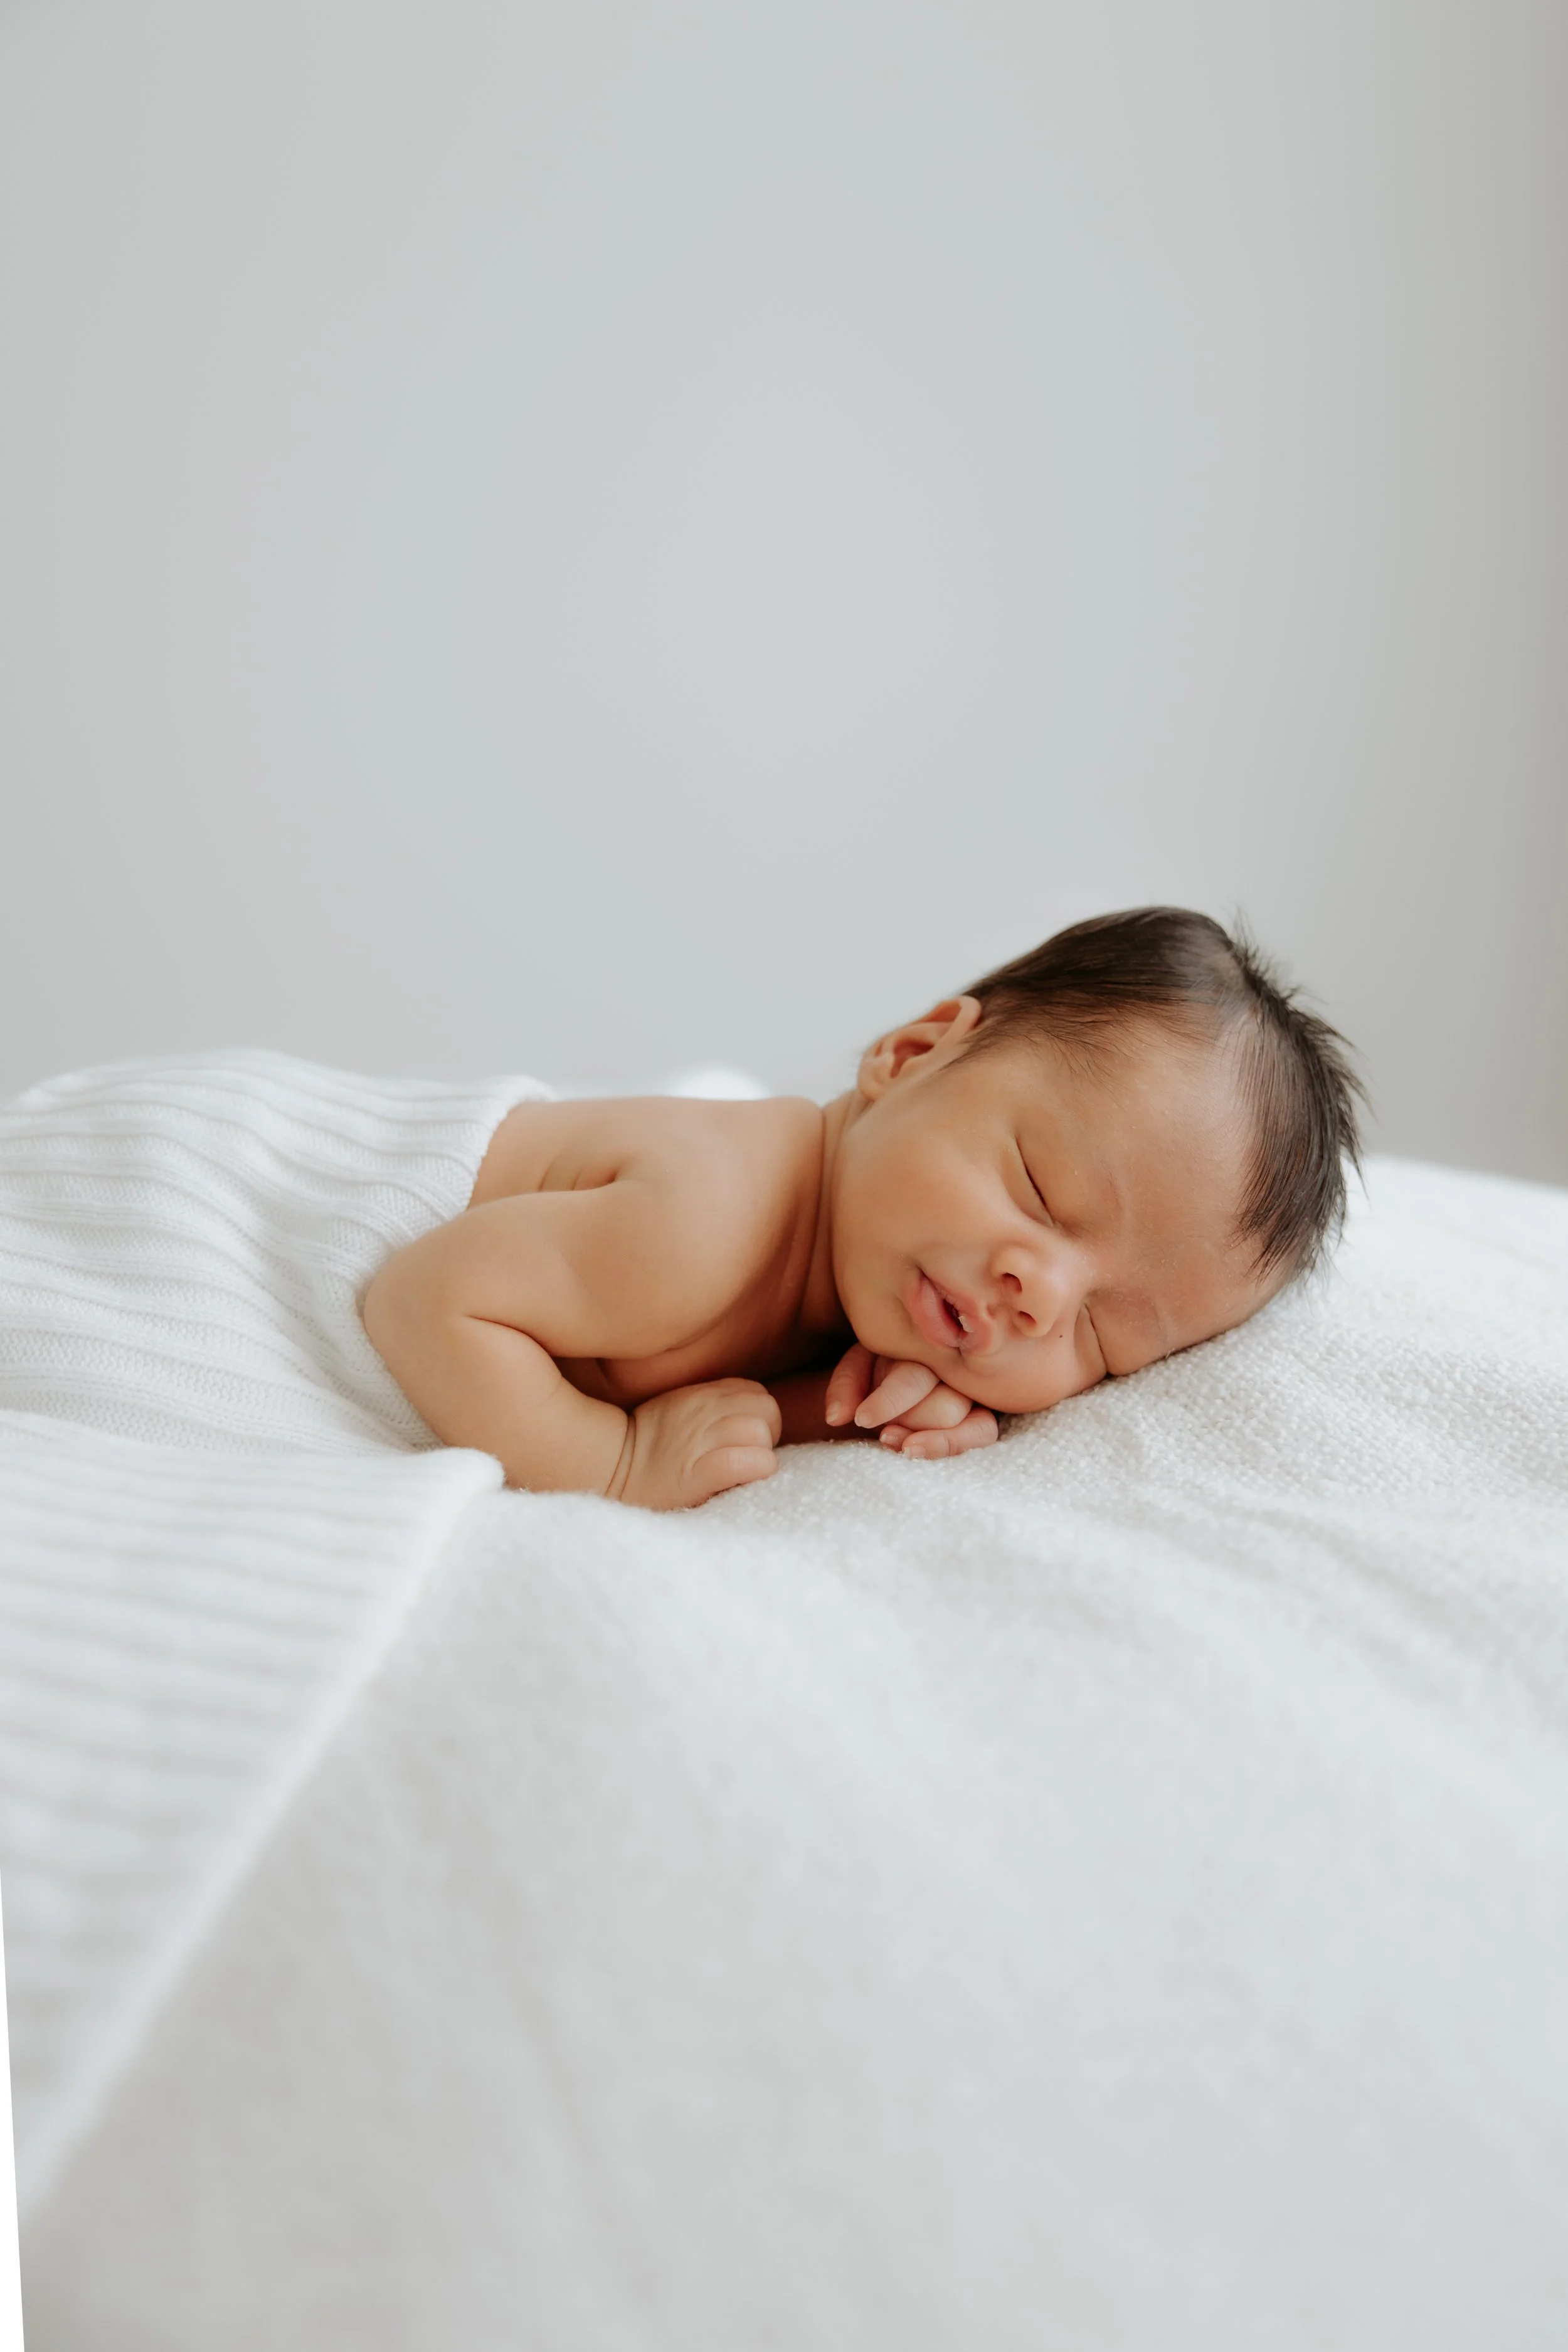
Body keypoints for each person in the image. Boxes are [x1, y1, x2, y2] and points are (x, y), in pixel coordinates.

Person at [361, 908, 1362, 1510]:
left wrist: (849, 1416)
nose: (1041, 1297)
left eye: (1103, 1337)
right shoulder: (702, 1220)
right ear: (914, 1055)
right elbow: (427, 1299)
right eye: (1041, 1191)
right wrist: (612, 1463)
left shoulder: (855, 1285)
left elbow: (714, 1403)